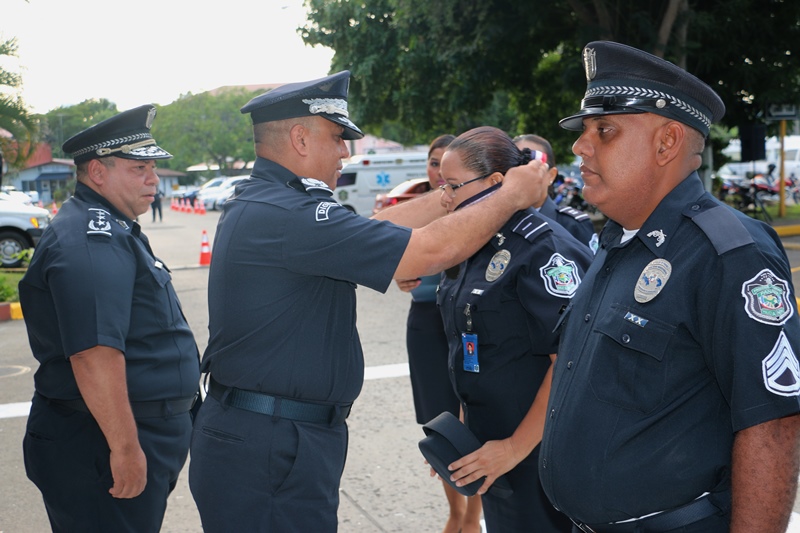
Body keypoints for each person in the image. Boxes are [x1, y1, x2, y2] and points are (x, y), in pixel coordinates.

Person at [187, 70, 551, 532]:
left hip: (272, 437)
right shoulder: (289, 214)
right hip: (270, 445)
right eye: (337, 137)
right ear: (300, 138)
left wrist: (456, 194)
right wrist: (511, 195)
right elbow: (432, 250)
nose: (346, 151)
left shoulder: (276, 203)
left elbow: (379, 227)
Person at [537, 41, 800, 532]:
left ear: (667, 143)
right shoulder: (617, 241)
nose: (580, 147)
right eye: (584, 131)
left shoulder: (728, 253)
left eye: (604, 130)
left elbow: (773, 426)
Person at [18, 105, 201, 532]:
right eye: (139, 168)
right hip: (99, 442)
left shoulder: (111, 227)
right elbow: (94, 353)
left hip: (121, 433)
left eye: (153, 168)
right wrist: (125, 448)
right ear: (98, 172)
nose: (154, 180)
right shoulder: (91, 237)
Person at [436, 126, 593, 532]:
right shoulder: (472, 244)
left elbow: (571, 362)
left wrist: (512, 449)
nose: (444, 197)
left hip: (538, 450)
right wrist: (465, 432)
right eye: (441, 185)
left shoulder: (542, 248)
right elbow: (472, 346)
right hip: (493, 447)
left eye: (453, 185)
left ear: (495, 182)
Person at [395, 134, 484, 533]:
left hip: (467, 323)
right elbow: (398, 262)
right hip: (425, 323)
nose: (439, 172)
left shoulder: (481, 209)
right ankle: (456, 512)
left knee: (474, 418)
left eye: (446, 166)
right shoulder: (419, 211)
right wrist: (403, 276)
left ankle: (473, 514)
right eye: (433, 164)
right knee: (439, 423)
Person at [513, 134, 597, 251]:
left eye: (531, 165)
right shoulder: (497, 222)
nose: (522, 173)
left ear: (551, 175)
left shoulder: (572, 225)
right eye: (515, 165)